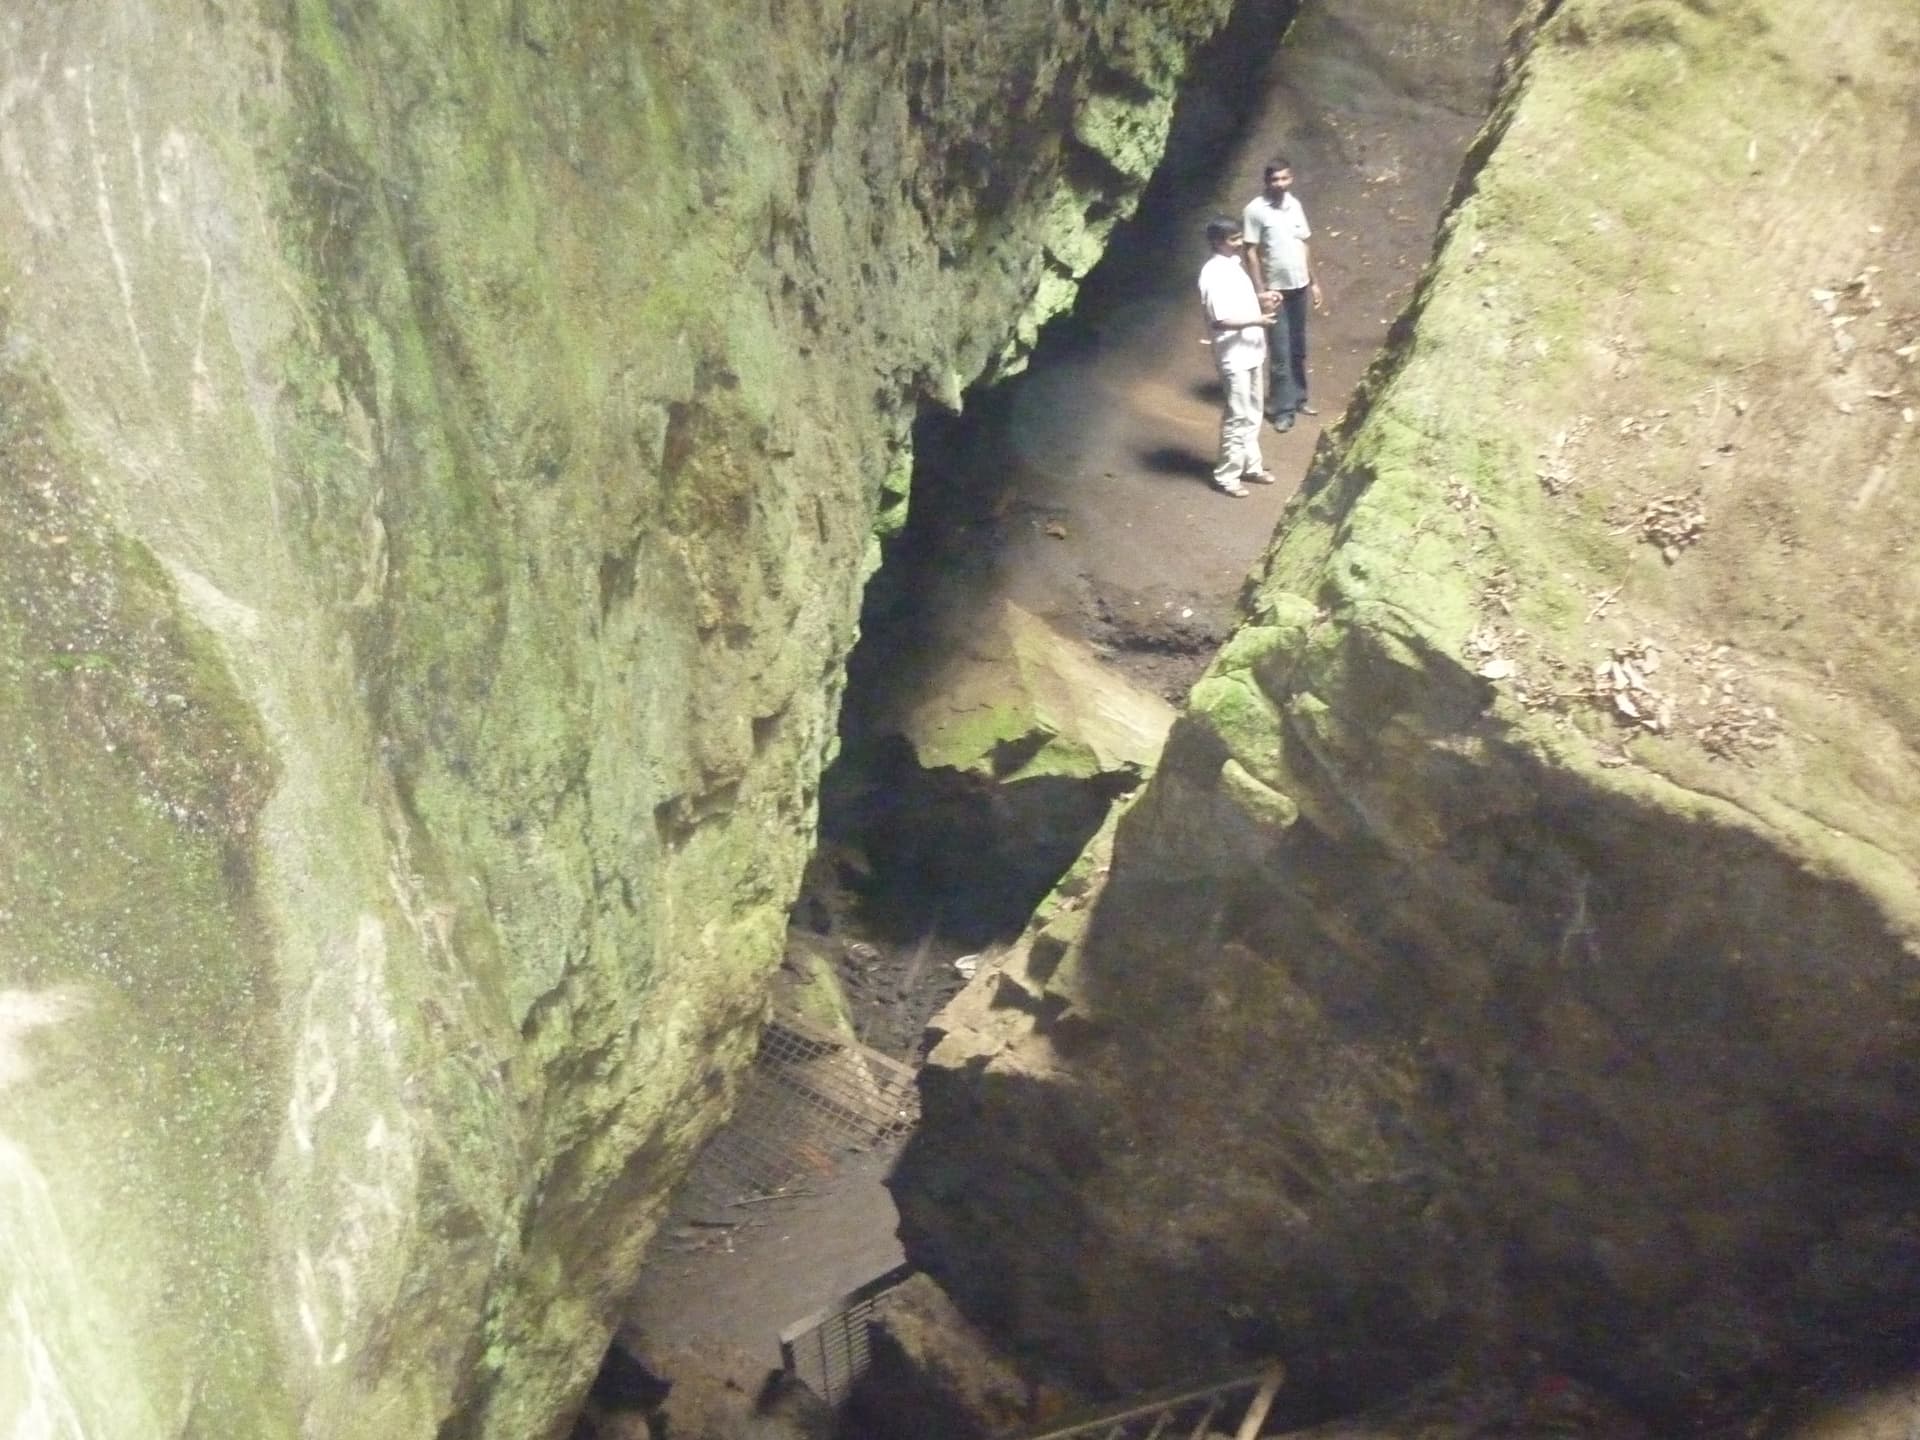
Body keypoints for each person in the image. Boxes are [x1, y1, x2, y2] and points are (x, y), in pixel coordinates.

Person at [1197, 216, 1278, 497]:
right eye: (1234, 239)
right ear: (1218, 242)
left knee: (1253, 412)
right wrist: (1258, 321)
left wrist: (1263, 300)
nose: (1240, 243)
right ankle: (1226, 475)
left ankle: (1250, 465)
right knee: (1238, 415)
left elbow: (1242, 305)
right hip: (1234, 355)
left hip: (1252, 351)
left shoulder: (1235, 267)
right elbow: (1220, 320)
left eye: (1239, 237)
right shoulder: (1213, 274)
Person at [1241, 157, 1323, 432]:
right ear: (1267, 181)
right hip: (1275, 291)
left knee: (1298, 346)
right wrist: (1260, 290)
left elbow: (1304, 243)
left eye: (1285, 178)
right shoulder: (1255, 210)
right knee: (1280, 350)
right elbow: (1250, 250)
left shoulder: (1294, 205)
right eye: (1275, 179)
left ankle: (1299, 397)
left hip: (1299, 285)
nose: (1280, 184)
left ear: (1292, 178)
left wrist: (1314, 282)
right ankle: (1281, 408)